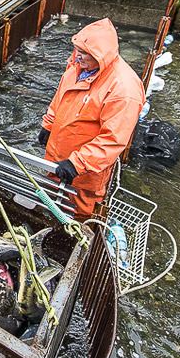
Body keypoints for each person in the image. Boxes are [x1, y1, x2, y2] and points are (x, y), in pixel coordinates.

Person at [38, 18, 145, 221]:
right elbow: (61, 97)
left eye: (84, 52)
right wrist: (48, 123)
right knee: (48, 202)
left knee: (78, 216)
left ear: (100, 55)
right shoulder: (78, 66)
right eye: (77, 49)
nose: (77, 56)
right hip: (57, 157)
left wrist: (77, 164)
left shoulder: (123, 89)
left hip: (84, 173)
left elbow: (112, 140)